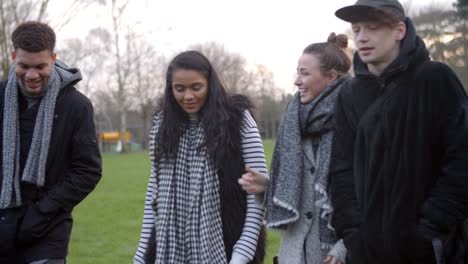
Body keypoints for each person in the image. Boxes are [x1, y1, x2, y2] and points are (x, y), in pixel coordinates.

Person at [330, 0, 468, 263]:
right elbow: (341, 169)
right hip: (367, 253)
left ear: (400, 31)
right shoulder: (349, 93)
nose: (362, 37)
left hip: (430, 251)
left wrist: (430, 231)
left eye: (372, 27)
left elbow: (462, 161)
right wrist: (354, 235)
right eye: (356, 29)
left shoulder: (435, 78)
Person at [133, 50, 266, 264]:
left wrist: (243, 252)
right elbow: (154, 191)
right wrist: (141, 253)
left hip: (230, 248)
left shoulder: (238, 120)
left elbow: (257, 194)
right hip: (169, 248)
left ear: (209, 84)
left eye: (196, 87)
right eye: (179, 89)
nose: (188, 96)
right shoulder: (162, 124)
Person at [239, 33, 351, 264]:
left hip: (336, 255)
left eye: (305, 73)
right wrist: (266, 187)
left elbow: (368, 197)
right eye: (297, 72)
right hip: (294, 255)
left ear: (331, 77)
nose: (297, 81)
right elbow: (302, 193)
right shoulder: (294, 121)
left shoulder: (354, 122)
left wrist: (345, 245)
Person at [0, 21, 102, 264]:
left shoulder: (77, 106)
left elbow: (88, 170)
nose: (32, 75)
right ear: (14, 57)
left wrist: (42, 211)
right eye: (24, 66)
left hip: (48, 229)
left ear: (54, 58)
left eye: (40, 66)